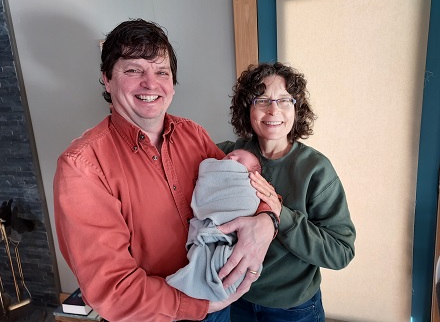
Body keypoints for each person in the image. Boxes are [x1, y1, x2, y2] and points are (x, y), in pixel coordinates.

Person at [53, 19, 281, 322]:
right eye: (134, 70)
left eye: (162, 71)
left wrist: (267, 221)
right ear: (107, 79)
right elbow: (113, 288)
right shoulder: (82, 166)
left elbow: (250, 188)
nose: (151, 83)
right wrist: (196, 307)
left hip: (215, 303)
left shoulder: (193, 134)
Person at [217, 62, 356, 322]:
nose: (273, 110)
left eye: (284, 100)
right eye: (262, 100)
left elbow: (341, 252)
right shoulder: (230, 155)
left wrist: (281, 215)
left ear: (296, 108)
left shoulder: (315, 170)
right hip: (234, 300)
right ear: (247, 108)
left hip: (293, 309)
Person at [166, 150, 275, 301]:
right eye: (230, 155)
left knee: (228, 261)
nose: (231, 157)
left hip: (265, 293)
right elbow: (210, 176)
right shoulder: (218, 148)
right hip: (175, 302)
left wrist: (268, 218)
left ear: (253, 173)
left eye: (239, 161)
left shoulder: (196, 135)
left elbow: (267, 194)